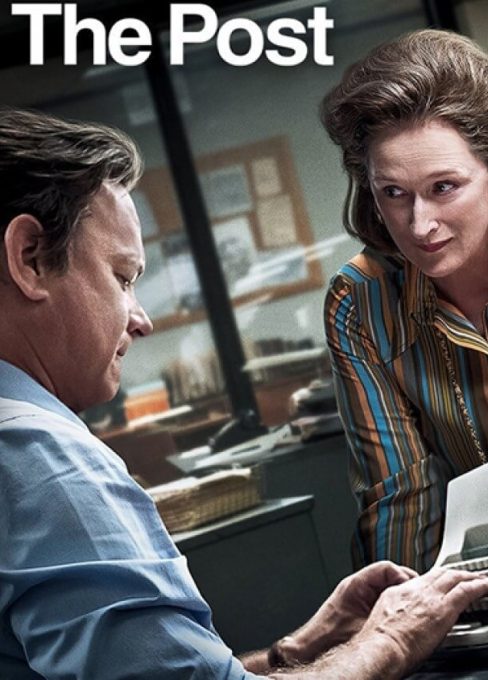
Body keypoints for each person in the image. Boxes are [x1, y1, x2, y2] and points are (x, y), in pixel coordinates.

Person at [1, 107, 487, 680]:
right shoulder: (43, 462)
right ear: (30, 258)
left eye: (445, 187)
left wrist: (294, 653)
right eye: (122, 277)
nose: (141, 319)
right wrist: (390, 639)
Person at [321, 28, 488, 573]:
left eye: (444, 187)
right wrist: (400, 613)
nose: (419, 225)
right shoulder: (361, 300)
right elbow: (399, 497)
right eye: (394, 192)